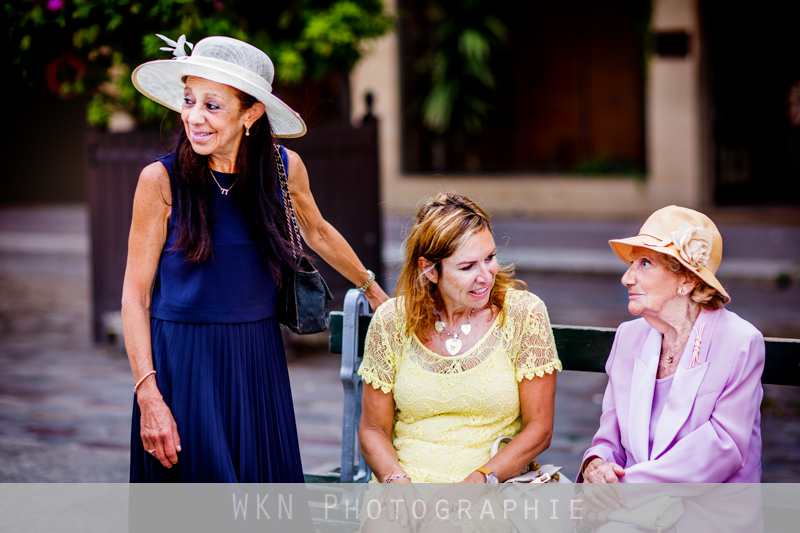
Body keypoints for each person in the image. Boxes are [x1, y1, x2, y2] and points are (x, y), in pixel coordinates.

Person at [122, 35, 388, 482]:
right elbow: (134, 294)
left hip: (257, 361)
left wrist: (375, 293)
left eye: (212, 105)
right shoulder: (159, 181)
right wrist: (148, 396)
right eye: (189, 101)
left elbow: (318, 231)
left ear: (252, 113)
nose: (194, 118)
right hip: (183, 366)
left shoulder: (284, 168)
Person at [358, 193, 561, 492]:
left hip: (491, 486)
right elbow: (373, 429)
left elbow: (539, 430)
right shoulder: (391, 321)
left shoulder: (523, 314)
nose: (486, 276)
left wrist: (479, 480)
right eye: (467, 267)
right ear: (429, 269)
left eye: (490, 258)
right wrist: (396, 481)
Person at [576, 206, 765, 526]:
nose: (627, 277)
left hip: (707, 517)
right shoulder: (629, 337)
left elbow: (722, 448)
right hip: (630, 515)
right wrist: (597, 466)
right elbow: (610, 440)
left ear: (687, 281)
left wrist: (620, 492)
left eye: (644, 263)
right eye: (631, 263)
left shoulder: (740, 342)